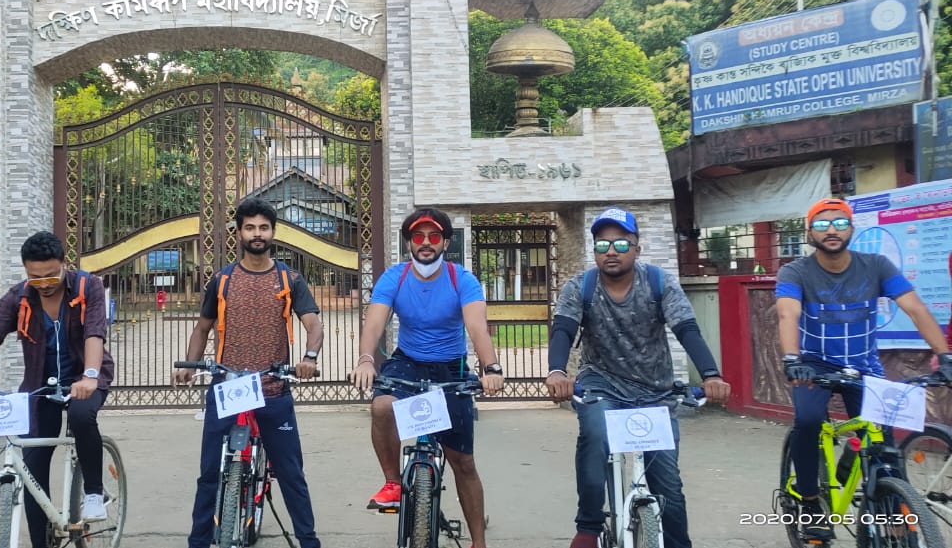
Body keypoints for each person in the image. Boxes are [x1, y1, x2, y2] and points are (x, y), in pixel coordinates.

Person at [545, 207, 730, 548]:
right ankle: (588, 526)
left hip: (655, 390)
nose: (611, 251)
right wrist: (557, 371)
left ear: (637, 248)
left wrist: (711, 375)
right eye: (602, 245)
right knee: (595, 435)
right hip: (602, 384)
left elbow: (687, 329)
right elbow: (563, 330)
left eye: (620, 243)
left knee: (668, 488)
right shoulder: (581, 287)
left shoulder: (659, 282)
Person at [776, 198, 952, 541]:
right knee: (809, 421)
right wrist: (792, 360)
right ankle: (811, 502)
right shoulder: (795, 271)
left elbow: (915, 308)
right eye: (823, 223)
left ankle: (894, 516)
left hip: (863, 364)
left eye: (840, 223)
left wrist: (944, 355)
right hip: (813, 363)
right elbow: (788, 314)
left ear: (851, 229)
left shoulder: (876, 265)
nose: (832, 230)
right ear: (809, 232)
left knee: (881, 440)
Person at [0, 231, 113, 548]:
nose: (45, 283)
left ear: (64, 264)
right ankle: (41, 542)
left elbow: (94, 333)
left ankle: (92, 491)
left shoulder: (87, 286)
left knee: (81, 415)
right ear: (26, 272)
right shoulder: (20, 296)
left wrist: (89, 376)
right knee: (33, 467)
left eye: (52, 275)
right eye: (36, 278)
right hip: (40, 384)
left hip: (85, 376)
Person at [173, 197, 323, 548]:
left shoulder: (290, 278)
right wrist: (191, 365)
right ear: (238, 232)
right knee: (209, 473)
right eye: (250, 227)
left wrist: (309, 357)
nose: (257, 234)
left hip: (274, 389)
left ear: (273, 232)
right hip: (227, 388)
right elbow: (203, 327)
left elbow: (313, 323)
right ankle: (198, 541)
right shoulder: (222, 280)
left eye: (264, 227)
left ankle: (308, 541)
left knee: (291, 475)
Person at [350, 208, 504, 548]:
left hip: (451, 367)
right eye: (418, 237)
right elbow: (375, 321)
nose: (425, 243)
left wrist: (490, 367)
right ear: (409, 242)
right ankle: (392, 484)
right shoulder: (396, 276)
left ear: (445, 242)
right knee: (382, 407)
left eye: (433, 237)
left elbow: (477, 326)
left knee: (463, 462)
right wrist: (365, 359)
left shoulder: (460, 278)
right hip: (408, 362)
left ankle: (479, 541)